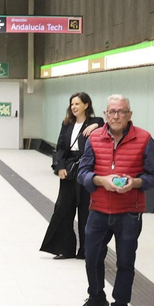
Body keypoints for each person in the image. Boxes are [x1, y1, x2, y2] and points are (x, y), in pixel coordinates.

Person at [74, 95, 154, 306]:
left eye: (121, 111)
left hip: (129, 214)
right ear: (105, 114)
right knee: (92, 257)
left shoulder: (144, 140)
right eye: (112, 111)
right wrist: (101, 180)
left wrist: (134, 183)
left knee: (125, 262)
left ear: (129, 115)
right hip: (99, 210)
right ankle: (96, 297)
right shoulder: (94, 138)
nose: (116, 116)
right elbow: (82, 173)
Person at [40, 93, 103, 259]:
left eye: (77, 104)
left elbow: (106, 125)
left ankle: (85, 250)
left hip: (86, 169)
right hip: (68, 169)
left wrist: (95, 125)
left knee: (85, 211)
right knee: (63, 209)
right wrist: (59, 167)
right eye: (72, 104)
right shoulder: (67, 123)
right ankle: (65, 248)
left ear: (86, 105)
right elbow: (60, 147)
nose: (74, 107)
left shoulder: (95, 122)